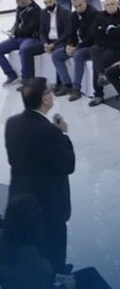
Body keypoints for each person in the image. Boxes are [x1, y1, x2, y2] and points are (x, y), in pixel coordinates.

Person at [4, 77, 74, 276]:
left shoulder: (12, 123)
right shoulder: (50, 132)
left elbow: (13, 158)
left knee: (34, 237)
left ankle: (41, 270)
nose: (52, 95)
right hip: (50, 199)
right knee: (55, 236)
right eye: (49, 91)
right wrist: (64, 135)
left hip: (22, 194)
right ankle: (57, 274)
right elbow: (68, 165)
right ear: (44, 99)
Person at [51, 0, 97, 101]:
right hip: (77, 45)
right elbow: (70, 34)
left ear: (85, 2)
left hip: (91, 46)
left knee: (78, 55)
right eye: (75, 6)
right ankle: (66, 84)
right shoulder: (73, 15)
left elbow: (91, 37)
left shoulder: (94, 14)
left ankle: (77, 88)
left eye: (80, 5)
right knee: (56, 55)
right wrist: (69, 45)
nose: (78, 8)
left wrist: (77, 47)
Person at [88, 0, 120, 107]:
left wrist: (104, 30)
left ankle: (98, 94)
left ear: (117, 4)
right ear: (104, 6)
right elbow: (94, 32)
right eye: (107, 5)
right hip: (101, 47)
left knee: (97, 63)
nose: (110, 7)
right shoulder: (99, 15)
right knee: (93, 50)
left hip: (115, 49)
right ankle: (102, 74)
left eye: (112, 4)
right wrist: (109, 31)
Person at [0, 0, 42, 85]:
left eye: (19, 0)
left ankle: (27, 79)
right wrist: (12, 30)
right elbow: (17, 22)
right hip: (18, 38)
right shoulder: (19, 7)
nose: (17, 3)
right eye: (16, 0)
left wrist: (15, 31)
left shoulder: (36, 10)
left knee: (24, 49)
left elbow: (30, 29)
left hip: (31, 38)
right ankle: (11, 75)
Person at [39, 0, 70, 83]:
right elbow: (42, 31)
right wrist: (44, 43)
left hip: (61, 41)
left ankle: (61, 83)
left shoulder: (64, 12)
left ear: (55, 0)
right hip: (48, 41)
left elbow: (67, 33)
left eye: (50, 2)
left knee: (56, 54)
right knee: (28, 49)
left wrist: (53, 44)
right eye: (46, 3)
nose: (48, 5)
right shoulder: (43, 13)